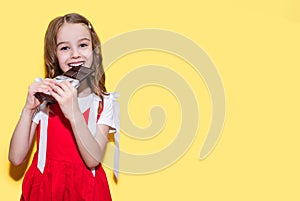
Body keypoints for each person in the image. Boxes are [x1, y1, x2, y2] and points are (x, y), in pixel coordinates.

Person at [8, 13, 120, 201]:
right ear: (54, 55)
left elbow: (93, 160)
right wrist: (28, 110)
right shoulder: (43, 99)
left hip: (87, 192)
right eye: (65, 48)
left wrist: (74, 112)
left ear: (95, 51)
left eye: (83, 45)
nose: (75, 54)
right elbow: (16, 158)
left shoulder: (104, 102)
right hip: (45, 189)